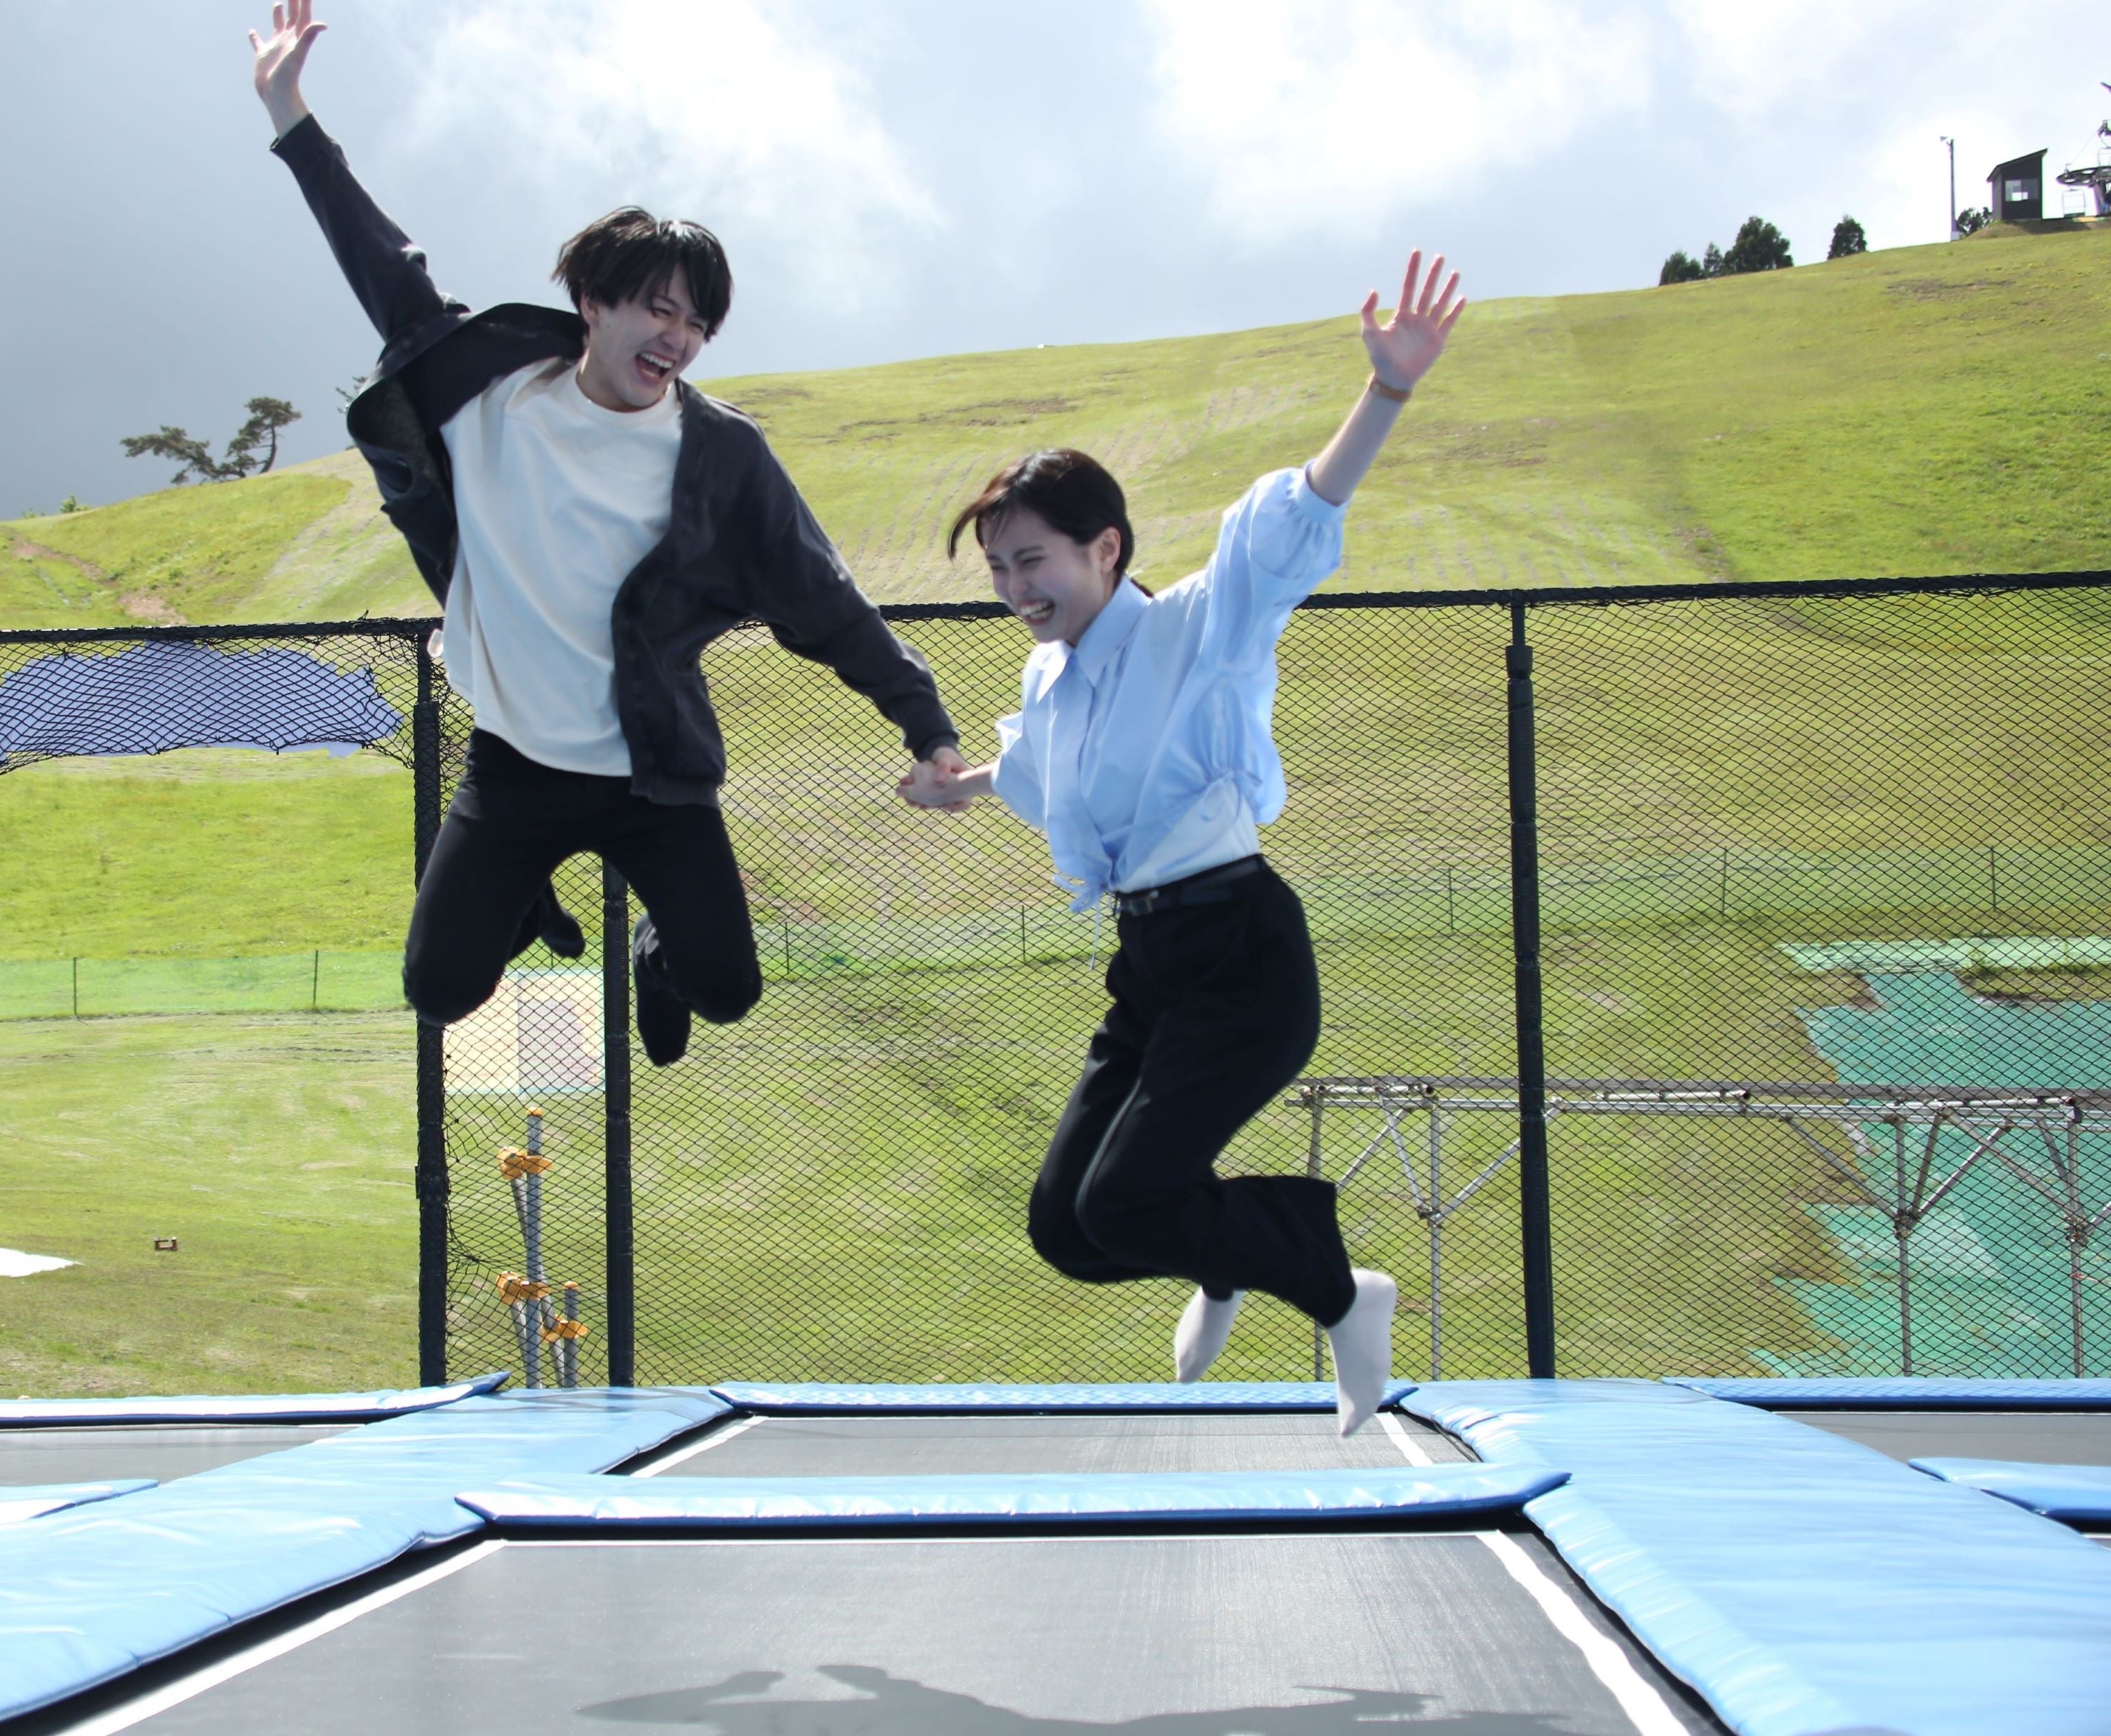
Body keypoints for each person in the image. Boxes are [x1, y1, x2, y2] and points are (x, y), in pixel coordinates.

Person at [249, 1, 966, 1063]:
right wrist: (289, 113)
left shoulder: (720, 454)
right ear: (592, 301)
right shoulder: (487, 397)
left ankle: (654, 956)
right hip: (516, 765)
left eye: (697, 322)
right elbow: (382, 262)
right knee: (439, 990)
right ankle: (522, 895)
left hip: (653, 775)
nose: (677, 338)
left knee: (725, 990)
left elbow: (825, 599)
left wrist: (927, 727)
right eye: (658, 310)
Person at [903, 253, 1466, 1432]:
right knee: (1067, 1227)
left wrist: (1387, 390)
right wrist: (961, 790)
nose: (1014, 587)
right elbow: (1041, 772)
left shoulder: (1199, 631)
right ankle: (1225, 1255)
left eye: (1032, 560)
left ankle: (1336, 1285)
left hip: (1240, 957)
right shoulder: (1049, 677)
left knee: (1125, 1201)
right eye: (999, 567)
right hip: (1150, 968)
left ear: (1105, 549)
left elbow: (1291, 526)